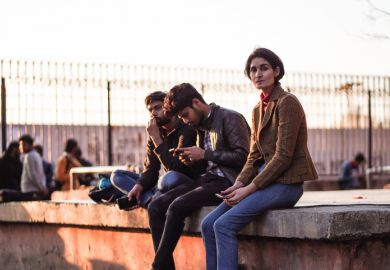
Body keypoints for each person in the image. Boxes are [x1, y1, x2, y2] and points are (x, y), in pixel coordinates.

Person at [201, 48, 318, 270]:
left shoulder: (287, 102)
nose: (258, 74)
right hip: (263, 183)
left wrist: (248, 189)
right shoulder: (257, 109)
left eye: (264, 68)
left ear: (276, 71)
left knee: (224, 225)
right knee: (208, 224)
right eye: (253, 70)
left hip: (286, 185)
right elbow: (253, 155)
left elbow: (284, 156)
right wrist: (237, 184)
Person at [147, 83, 250, 270]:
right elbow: (203, 164)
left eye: (185, 115)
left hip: (228, 181)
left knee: (176, 207)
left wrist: (204, 154)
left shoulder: (230, 118)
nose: (185, 121)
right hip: (207, 179)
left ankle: (157, 266)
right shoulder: (199, 125)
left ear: (196, 103)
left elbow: (244, 157)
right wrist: (189, 158)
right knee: (155, 207)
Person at [118, 91, 197, 208]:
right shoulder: (156, 132)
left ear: (169, 108)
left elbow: (177, 169)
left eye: (158, 108)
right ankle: (148, 199)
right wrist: (139, 186)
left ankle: (148, 199)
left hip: (184, 183)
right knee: (117, 176)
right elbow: (151, 169)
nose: (153, 113)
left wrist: (156, 139)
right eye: (150, 110)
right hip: (163, 185)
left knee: (169, 178)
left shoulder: (186, 129)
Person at [18, 134, 48, 200]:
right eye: (20, 145)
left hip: (30, 190)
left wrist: (41, 187)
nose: (21, 147)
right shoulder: (36, 155)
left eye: (24, 144)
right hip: (35, 189)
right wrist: (42, 186)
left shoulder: (29, 156)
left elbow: (33, 174)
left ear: (30, 145)